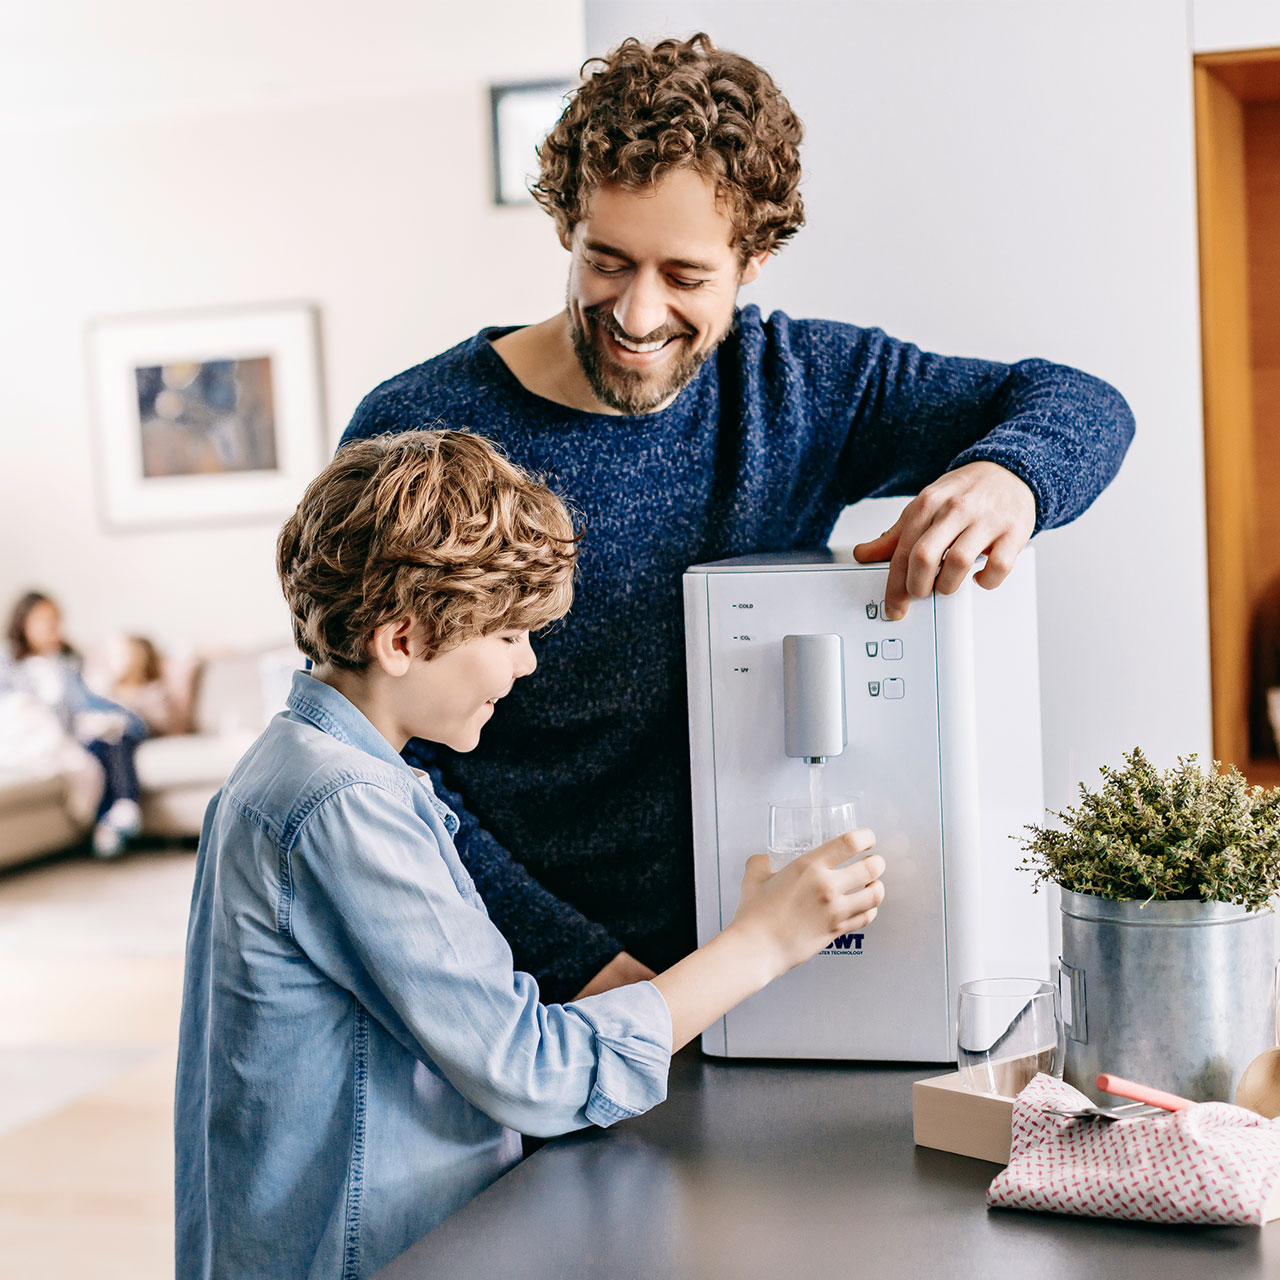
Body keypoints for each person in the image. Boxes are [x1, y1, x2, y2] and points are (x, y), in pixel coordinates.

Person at [340, 33, 1136, 1004]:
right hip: (506, 991)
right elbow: (376, 756)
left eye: (682, 276)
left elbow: (1080, 402)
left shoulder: (799, 388)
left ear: (752, 257)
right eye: (606, 261)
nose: (635, 314)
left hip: (763, 974)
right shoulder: (411, 431)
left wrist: (1005, 476)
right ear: (564, 226)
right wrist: (588, 972)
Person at [174, 430, 885, 1279]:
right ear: (401, 643)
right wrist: (762, 943)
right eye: (509, 635)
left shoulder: (297, 768)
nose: (527, 662)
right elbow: (530, 1068)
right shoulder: (344, 805)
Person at [3, 591, 147, 856]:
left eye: (56, 620)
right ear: (23, 623)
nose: (52, 627)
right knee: (95, 749)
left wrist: (126, 719)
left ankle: (117, 815)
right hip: (34, 736)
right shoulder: (8, 664)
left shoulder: (68, 663)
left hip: (75, 733)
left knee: (113, 737)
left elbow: (88, 702)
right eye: (44, 620)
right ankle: (116, 814)